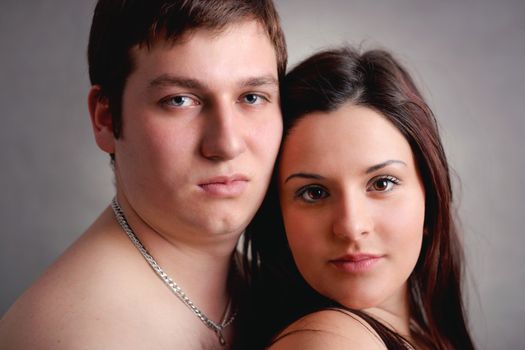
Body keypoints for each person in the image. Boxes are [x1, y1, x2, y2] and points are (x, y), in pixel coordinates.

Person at [0, 1, 286, 349]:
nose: (226, 144)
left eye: (252, 97)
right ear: (106, 118)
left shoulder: (274, 285)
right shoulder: (79, 337)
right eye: (179, 100)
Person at [243, 47, 475, 349]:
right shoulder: (329, 342)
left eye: (381, 183)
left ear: (430, 199)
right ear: (279, 217)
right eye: (314, 193)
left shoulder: (422, 336)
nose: (351, 227)